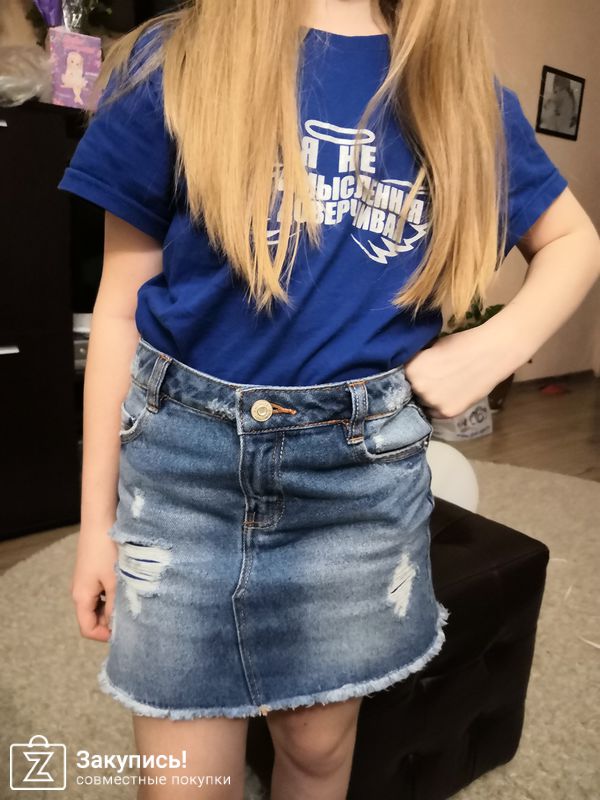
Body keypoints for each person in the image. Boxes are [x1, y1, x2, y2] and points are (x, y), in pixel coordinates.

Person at [58, 0, 600, 797]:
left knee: (318, 750)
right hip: (182, 482)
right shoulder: (174, 60)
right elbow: (118, 309)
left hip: (357, 489)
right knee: (181, 782)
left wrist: (491, 349)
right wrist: (95, 527)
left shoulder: (460, 92)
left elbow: (573, 240)